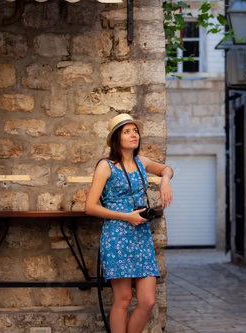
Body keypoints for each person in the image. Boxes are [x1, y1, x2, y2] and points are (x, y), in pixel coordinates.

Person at [85, 113, 173, 333]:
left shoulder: (141, 162)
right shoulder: (106, 166)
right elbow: (90, 207)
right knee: (123, 299)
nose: (133, 135)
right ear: (117, 138)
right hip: (117, 235)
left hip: (141, 236)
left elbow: (166, 168)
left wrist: (165, 180)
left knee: (147, 301)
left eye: (135, 131)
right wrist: (127, 216)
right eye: (127, 131)